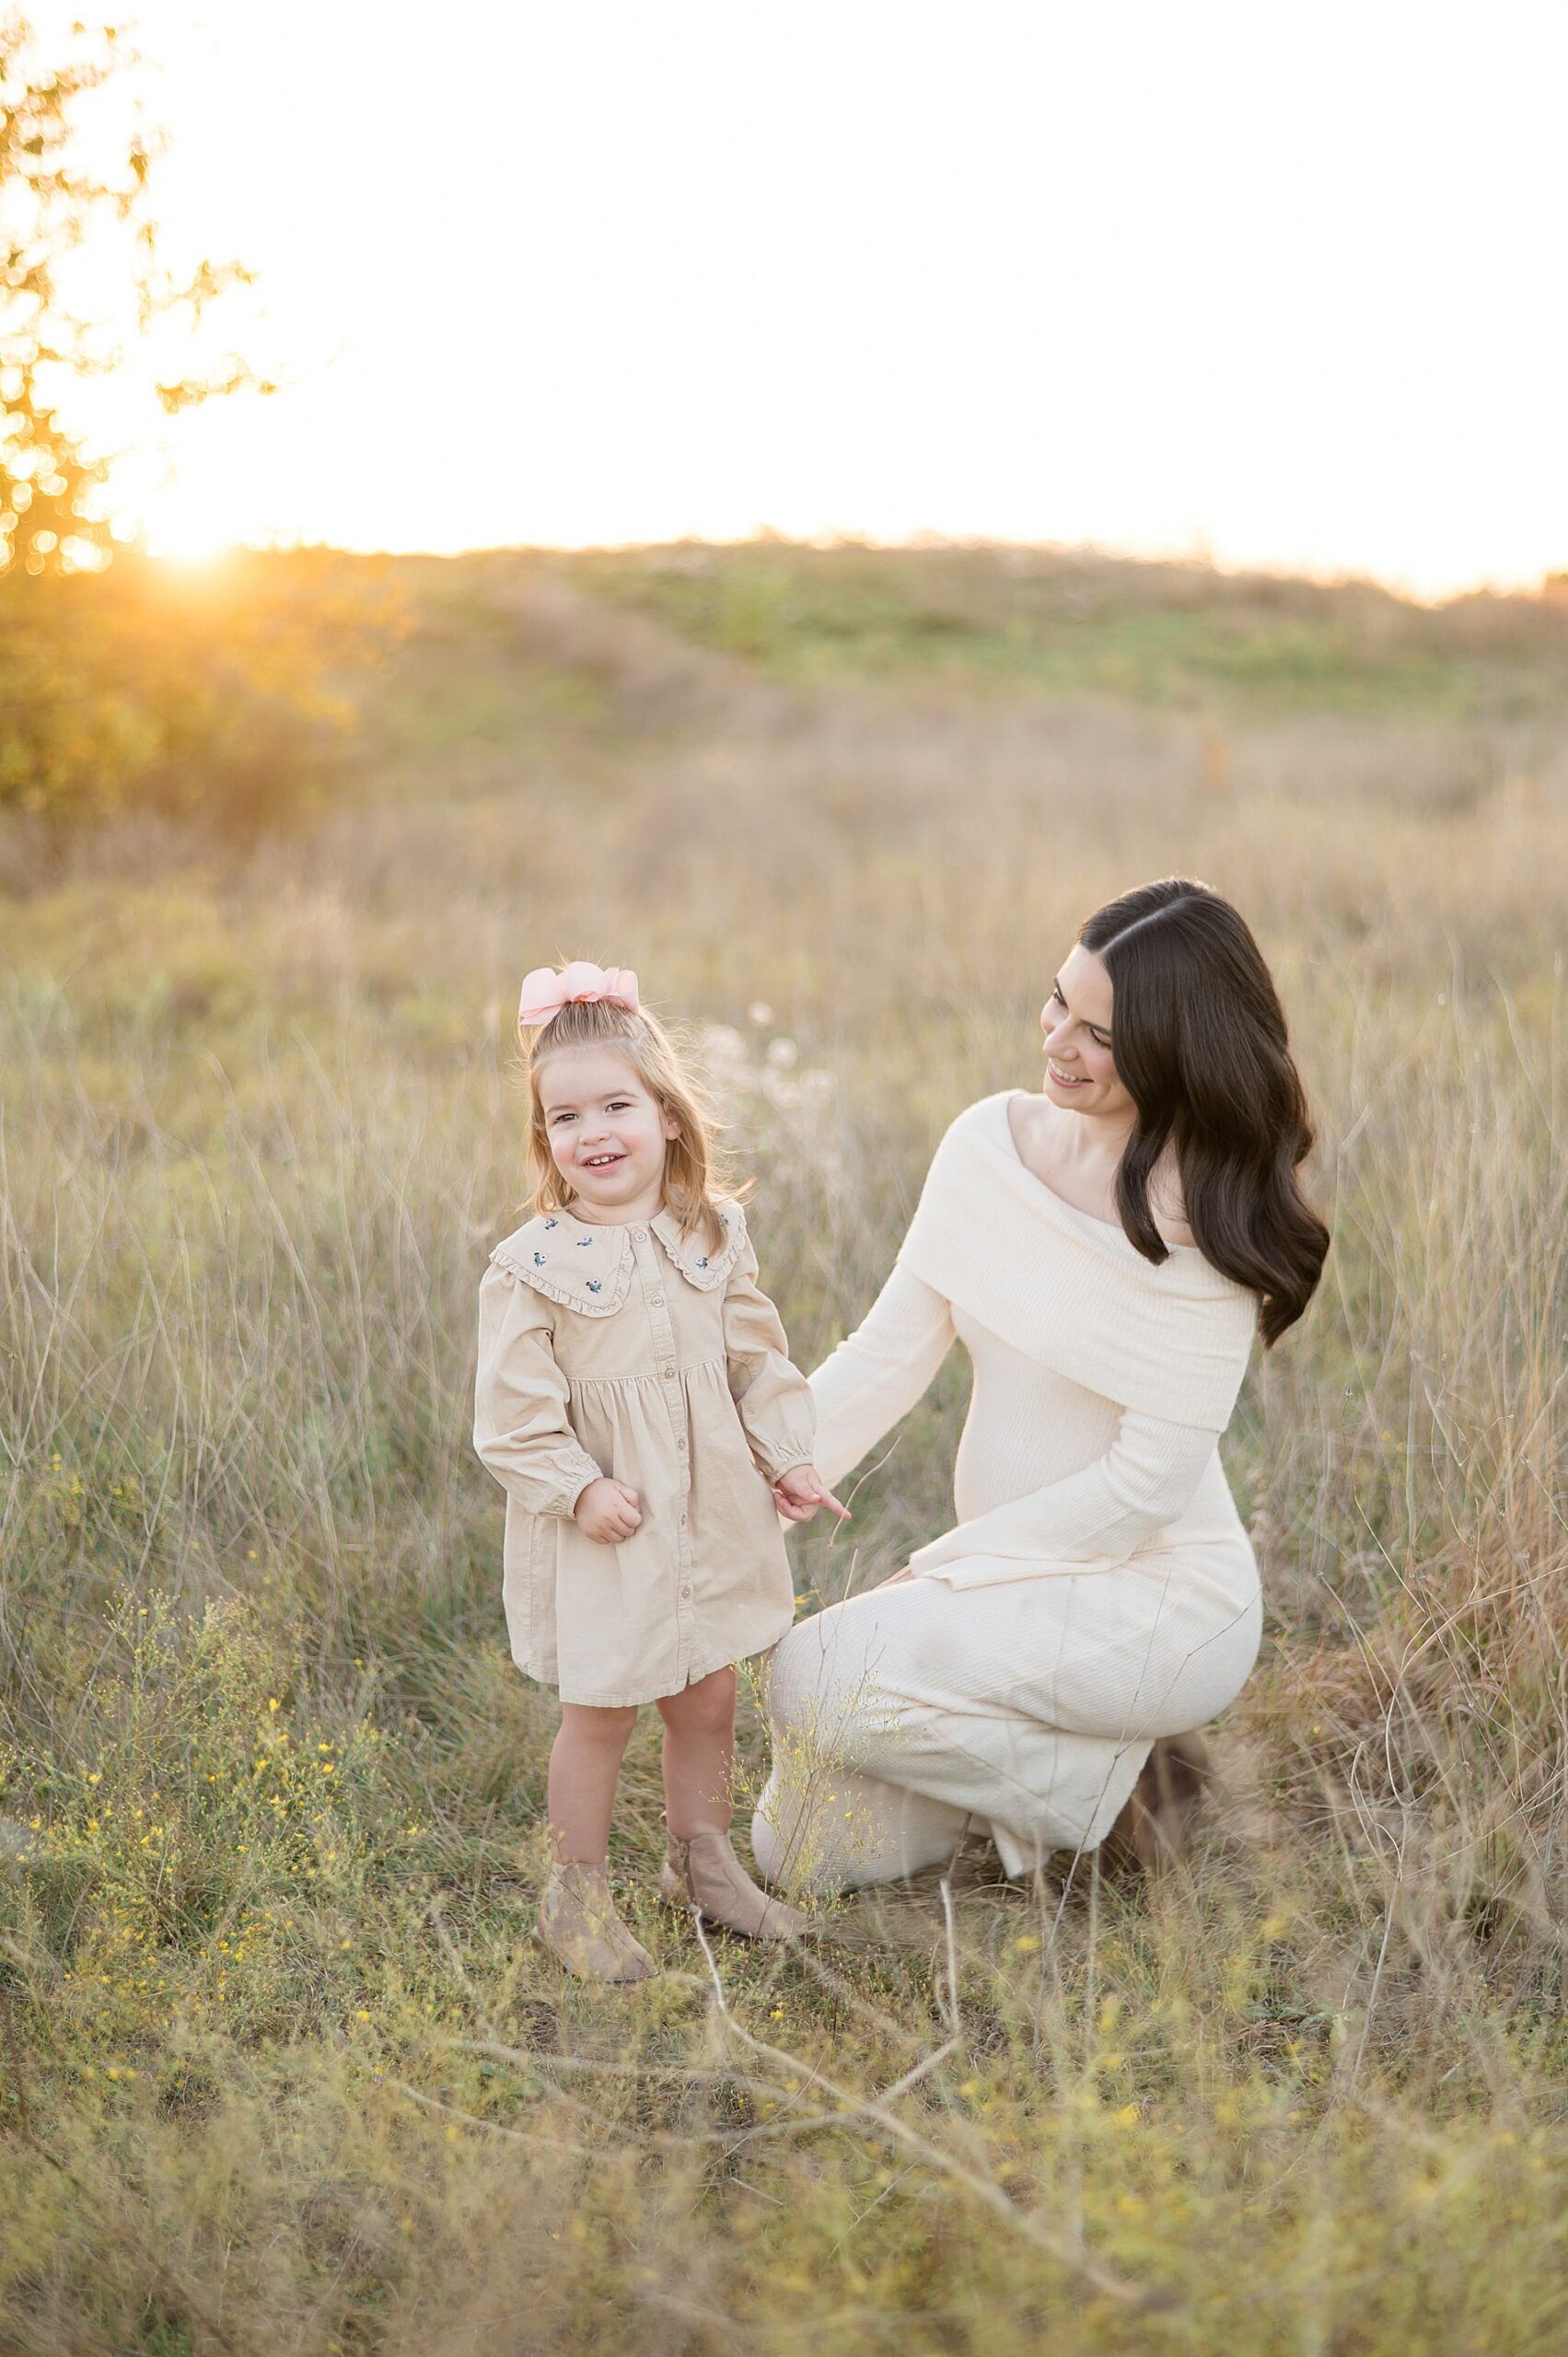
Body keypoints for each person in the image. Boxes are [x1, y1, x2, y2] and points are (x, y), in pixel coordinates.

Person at [752, 879, 1330, 1894]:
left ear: (1172, 1049)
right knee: (795, 1853)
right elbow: (883, 1359)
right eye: (1056, 1000)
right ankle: (1072, 1768)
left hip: (1151, 1603)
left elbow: (1138, 1493)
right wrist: (748, 1495)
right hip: (1012, 1589)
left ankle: (1096, 1789)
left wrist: (941, 1572)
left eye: (1098, 1032)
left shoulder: (1205, 1234)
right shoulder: (986, 1144)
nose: (1057, 1038)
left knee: (810, 1674)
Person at [473, 960, 844, 1981]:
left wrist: (789, 1454)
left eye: (616, 1105)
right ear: (542, 1138)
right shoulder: (530, 1267)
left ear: (668, 1116)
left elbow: (753, 1360)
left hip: (710, 1506)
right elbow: (510, 1419)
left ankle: (704, 1865)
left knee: (708, 1692)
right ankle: (574, 1894)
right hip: (614, 1522)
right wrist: (576, 1487)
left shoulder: (710, 1234)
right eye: (564, 1116)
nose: (593, 1132)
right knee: (600, 1710)